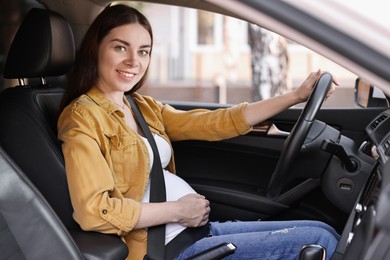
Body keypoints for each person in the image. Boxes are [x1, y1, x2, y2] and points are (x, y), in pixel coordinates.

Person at [57, 4, 339, 260]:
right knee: (320, 240)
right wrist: (178, 211)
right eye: (120, 48)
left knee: (320, 228)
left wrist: (295, 96)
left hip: (195, 232)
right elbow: (94, 211)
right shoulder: (82, 117)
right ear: (96, 49)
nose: (134, 61)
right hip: (163, 249)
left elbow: (215, 122)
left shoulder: (141, 106)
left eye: (143, 51)